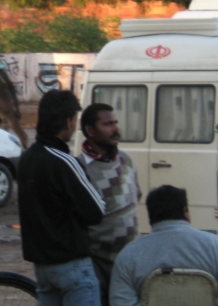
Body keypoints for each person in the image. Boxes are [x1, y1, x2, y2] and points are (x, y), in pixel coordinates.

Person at [18, 89, 106, 306]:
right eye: (74, 121)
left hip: (42, 267)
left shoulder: (26, 159)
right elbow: (96, 211)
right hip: (72, 266)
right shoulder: (64, 162)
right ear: (68, 122)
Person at [109, 185, 218, 306]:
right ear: (185, 212)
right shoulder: (217, 247)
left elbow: (121, 302)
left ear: (151, 217)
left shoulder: (128, 256)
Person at [76, 103, 142, 297]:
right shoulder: (80, 169)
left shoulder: (127, 161)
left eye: (115, 123)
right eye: (107, 124)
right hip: (97, 264)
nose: (115, 129)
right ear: (90, 131)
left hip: (130, 261)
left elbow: (136, 196)